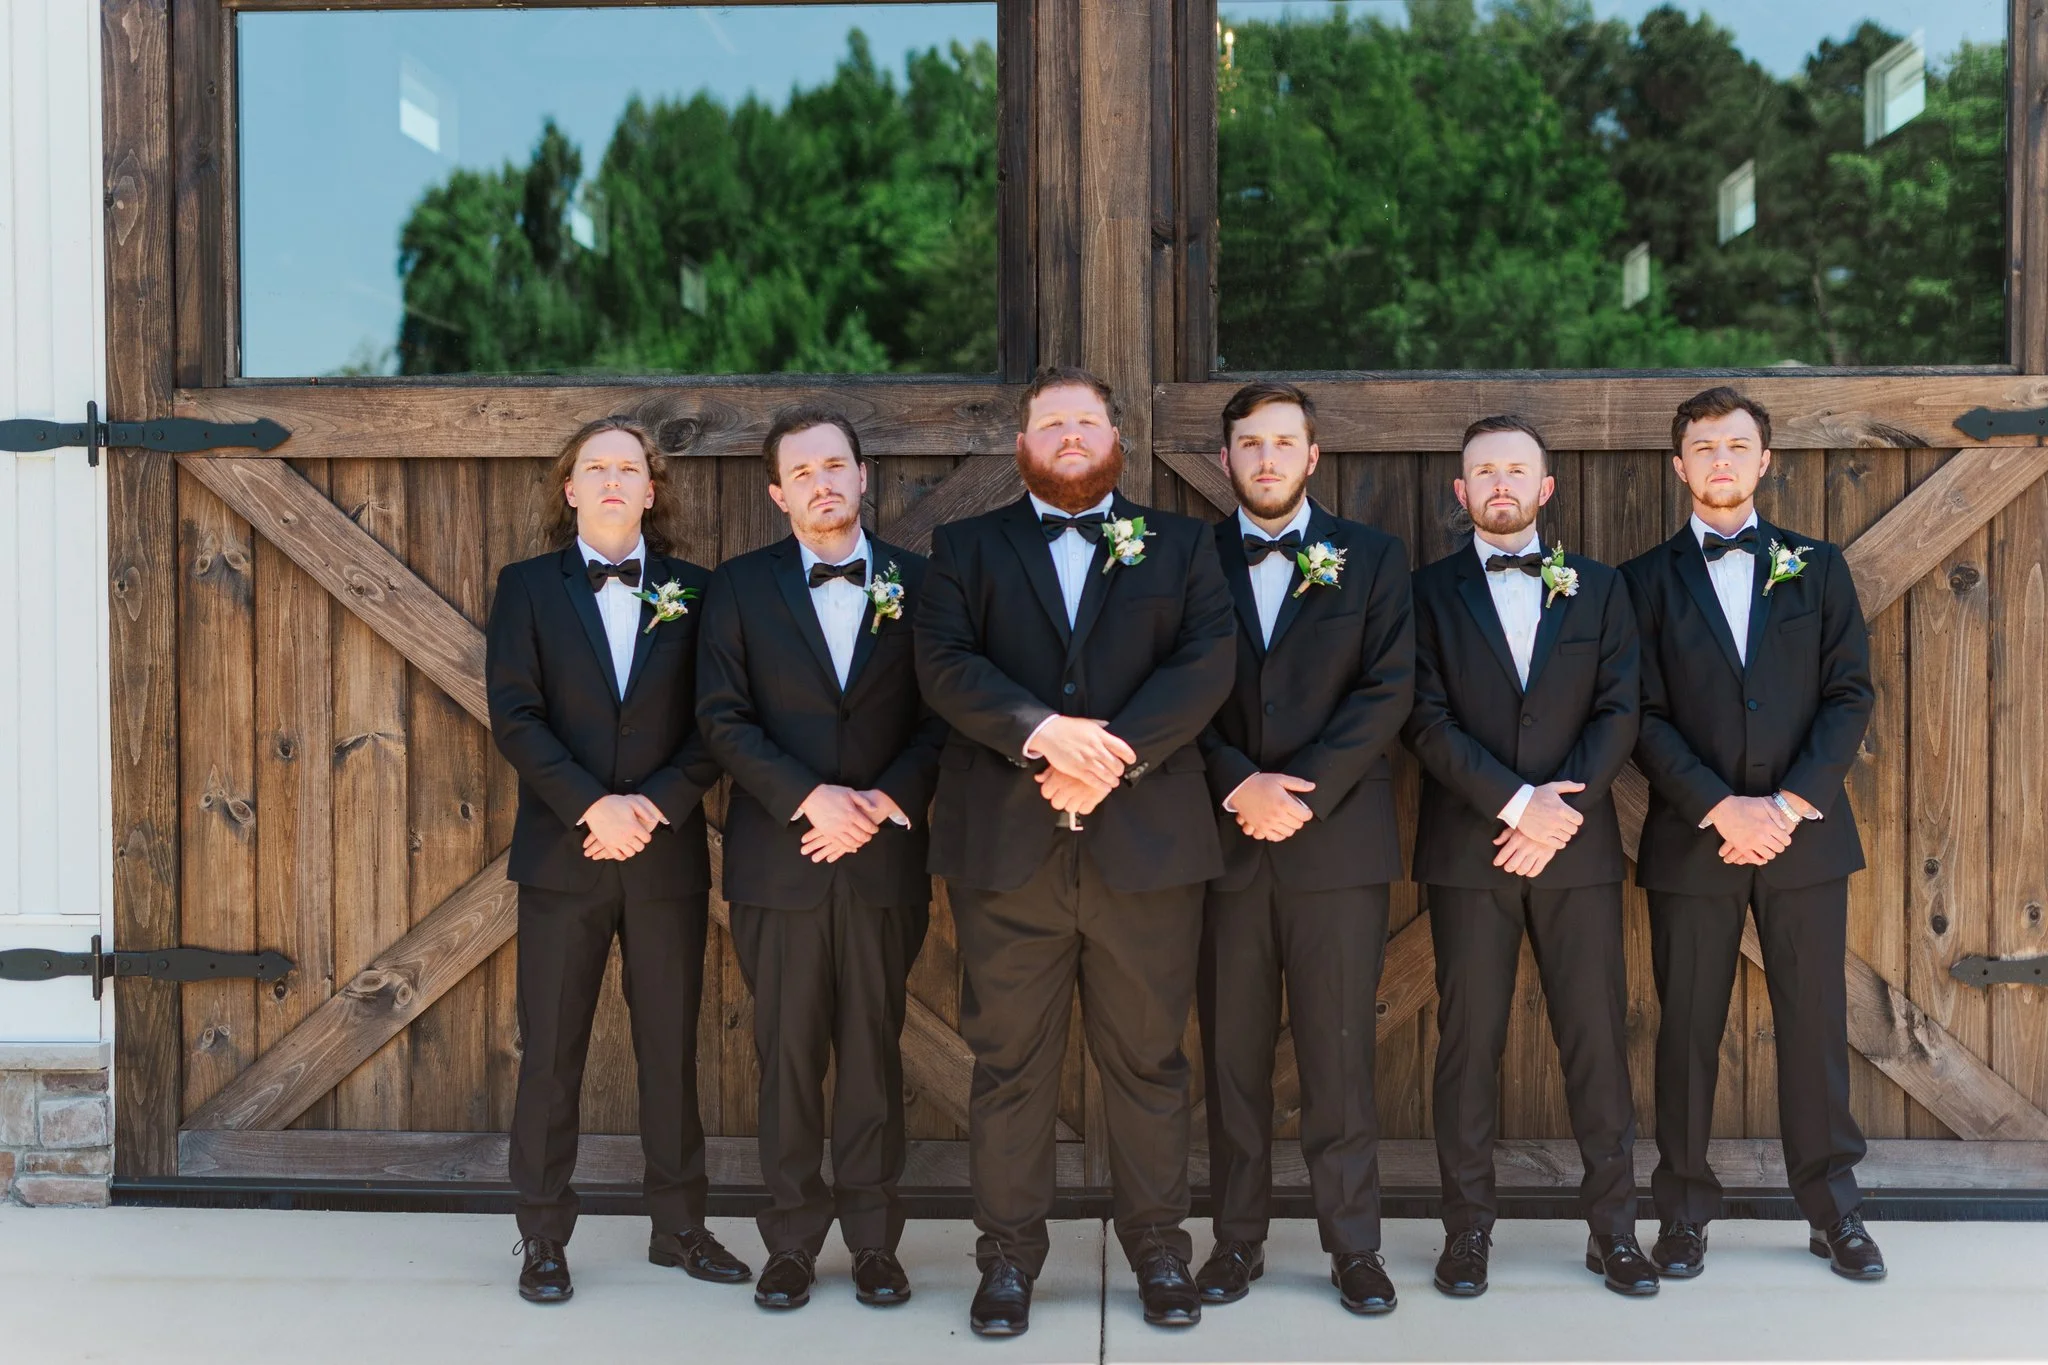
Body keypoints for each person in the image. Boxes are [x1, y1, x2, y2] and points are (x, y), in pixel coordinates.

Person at [914, 365, 1237, 1336]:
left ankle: (1159, 1248)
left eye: (1084, 421)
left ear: (1115, 440)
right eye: (1049, 421)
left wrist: (1112, 757)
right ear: (1020, 444)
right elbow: (945, 666)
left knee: (1149, 1062)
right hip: (1007, 855)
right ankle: (1008, 1259)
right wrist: (1043, 734)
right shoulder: (964, 548)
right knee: (1009, 1064)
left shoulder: (1183, 546)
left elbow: (1205, 663)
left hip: (1146, 853)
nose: (1067, 435)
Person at [485, 416, 749, 1304]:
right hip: (563, 857)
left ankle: (679, 1226)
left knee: (670, 1049)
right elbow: (516, 714)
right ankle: (542, 1233)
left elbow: (719, 720)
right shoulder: (526, 588)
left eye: (626, 467)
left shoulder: (697, 591)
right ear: (570, 490)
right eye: (593, 466)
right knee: (551, 1054)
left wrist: (655, 805)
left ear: (649, 489)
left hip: (665, 858)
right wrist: (593, 805)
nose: (610, 479)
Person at [1622, 387, 1883, 1282]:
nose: (1721, 461)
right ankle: (1683, 1212)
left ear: (1764, 461)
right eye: (1704, 447)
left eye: (1737, 445)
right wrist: (1719, 805)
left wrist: (1789, 803)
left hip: (1804, 837)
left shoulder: (1819, 566)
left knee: (1814, 1024)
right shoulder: (1640, 582)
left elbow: (1849, 692)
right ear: (1679, 465)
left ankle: (1834, 1209)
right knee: (1687, 1030)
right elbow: (1641, 712)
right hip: (1694, 836)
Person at [695, 406, 944, 1311]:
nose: (822, 483)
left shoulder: (922, 583)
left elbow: (944, 715)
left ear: (864, 476)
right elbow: (722, 717)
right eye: (802, 472)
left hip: (882, 859)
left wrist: (877, 804)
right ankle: (793, 1243)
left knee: (875, 1052)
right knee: (788, 1057)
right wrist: (811, 798)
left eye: (835, 465)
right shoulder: (737, 587)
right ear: (778, 493)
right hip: (782, 857)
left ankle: (875, 1242)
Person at [1404, 415, 1652, 1298]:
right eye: (1484, 472)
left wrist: (1558, 813)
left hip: (1577, 851)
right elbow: (1423, 715)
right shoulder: (1425, 593)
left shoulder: (1601, 587)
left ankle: (1614, 1231)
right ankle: (1467, 1231)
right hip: (1470, 849)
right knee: (1467, 1044)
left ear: (1546, 488)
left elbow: (1619, 707)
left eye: (1517, 470)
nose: (1501, 484)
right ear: (1462, 491)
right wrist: (1516, 804)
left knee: (1596, 1040)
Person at [1191, 382, 1414, 1316]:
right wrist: (1238, 780)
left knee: (1339, 1054)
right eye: (1250, 443)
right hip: (1223, 842)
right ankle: (1236, 1238)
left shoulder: (1374, 557)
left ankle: (1354, 1245)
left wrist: (1302, 791)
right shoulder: (1188, 557)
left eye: (1285, 443)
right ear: (1226, 458)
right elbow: (1169, 685)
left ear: (1314, 457)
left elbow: (1387, 689)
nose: (1268, 458)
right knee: (1231, 1056)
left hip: (1336, 847)